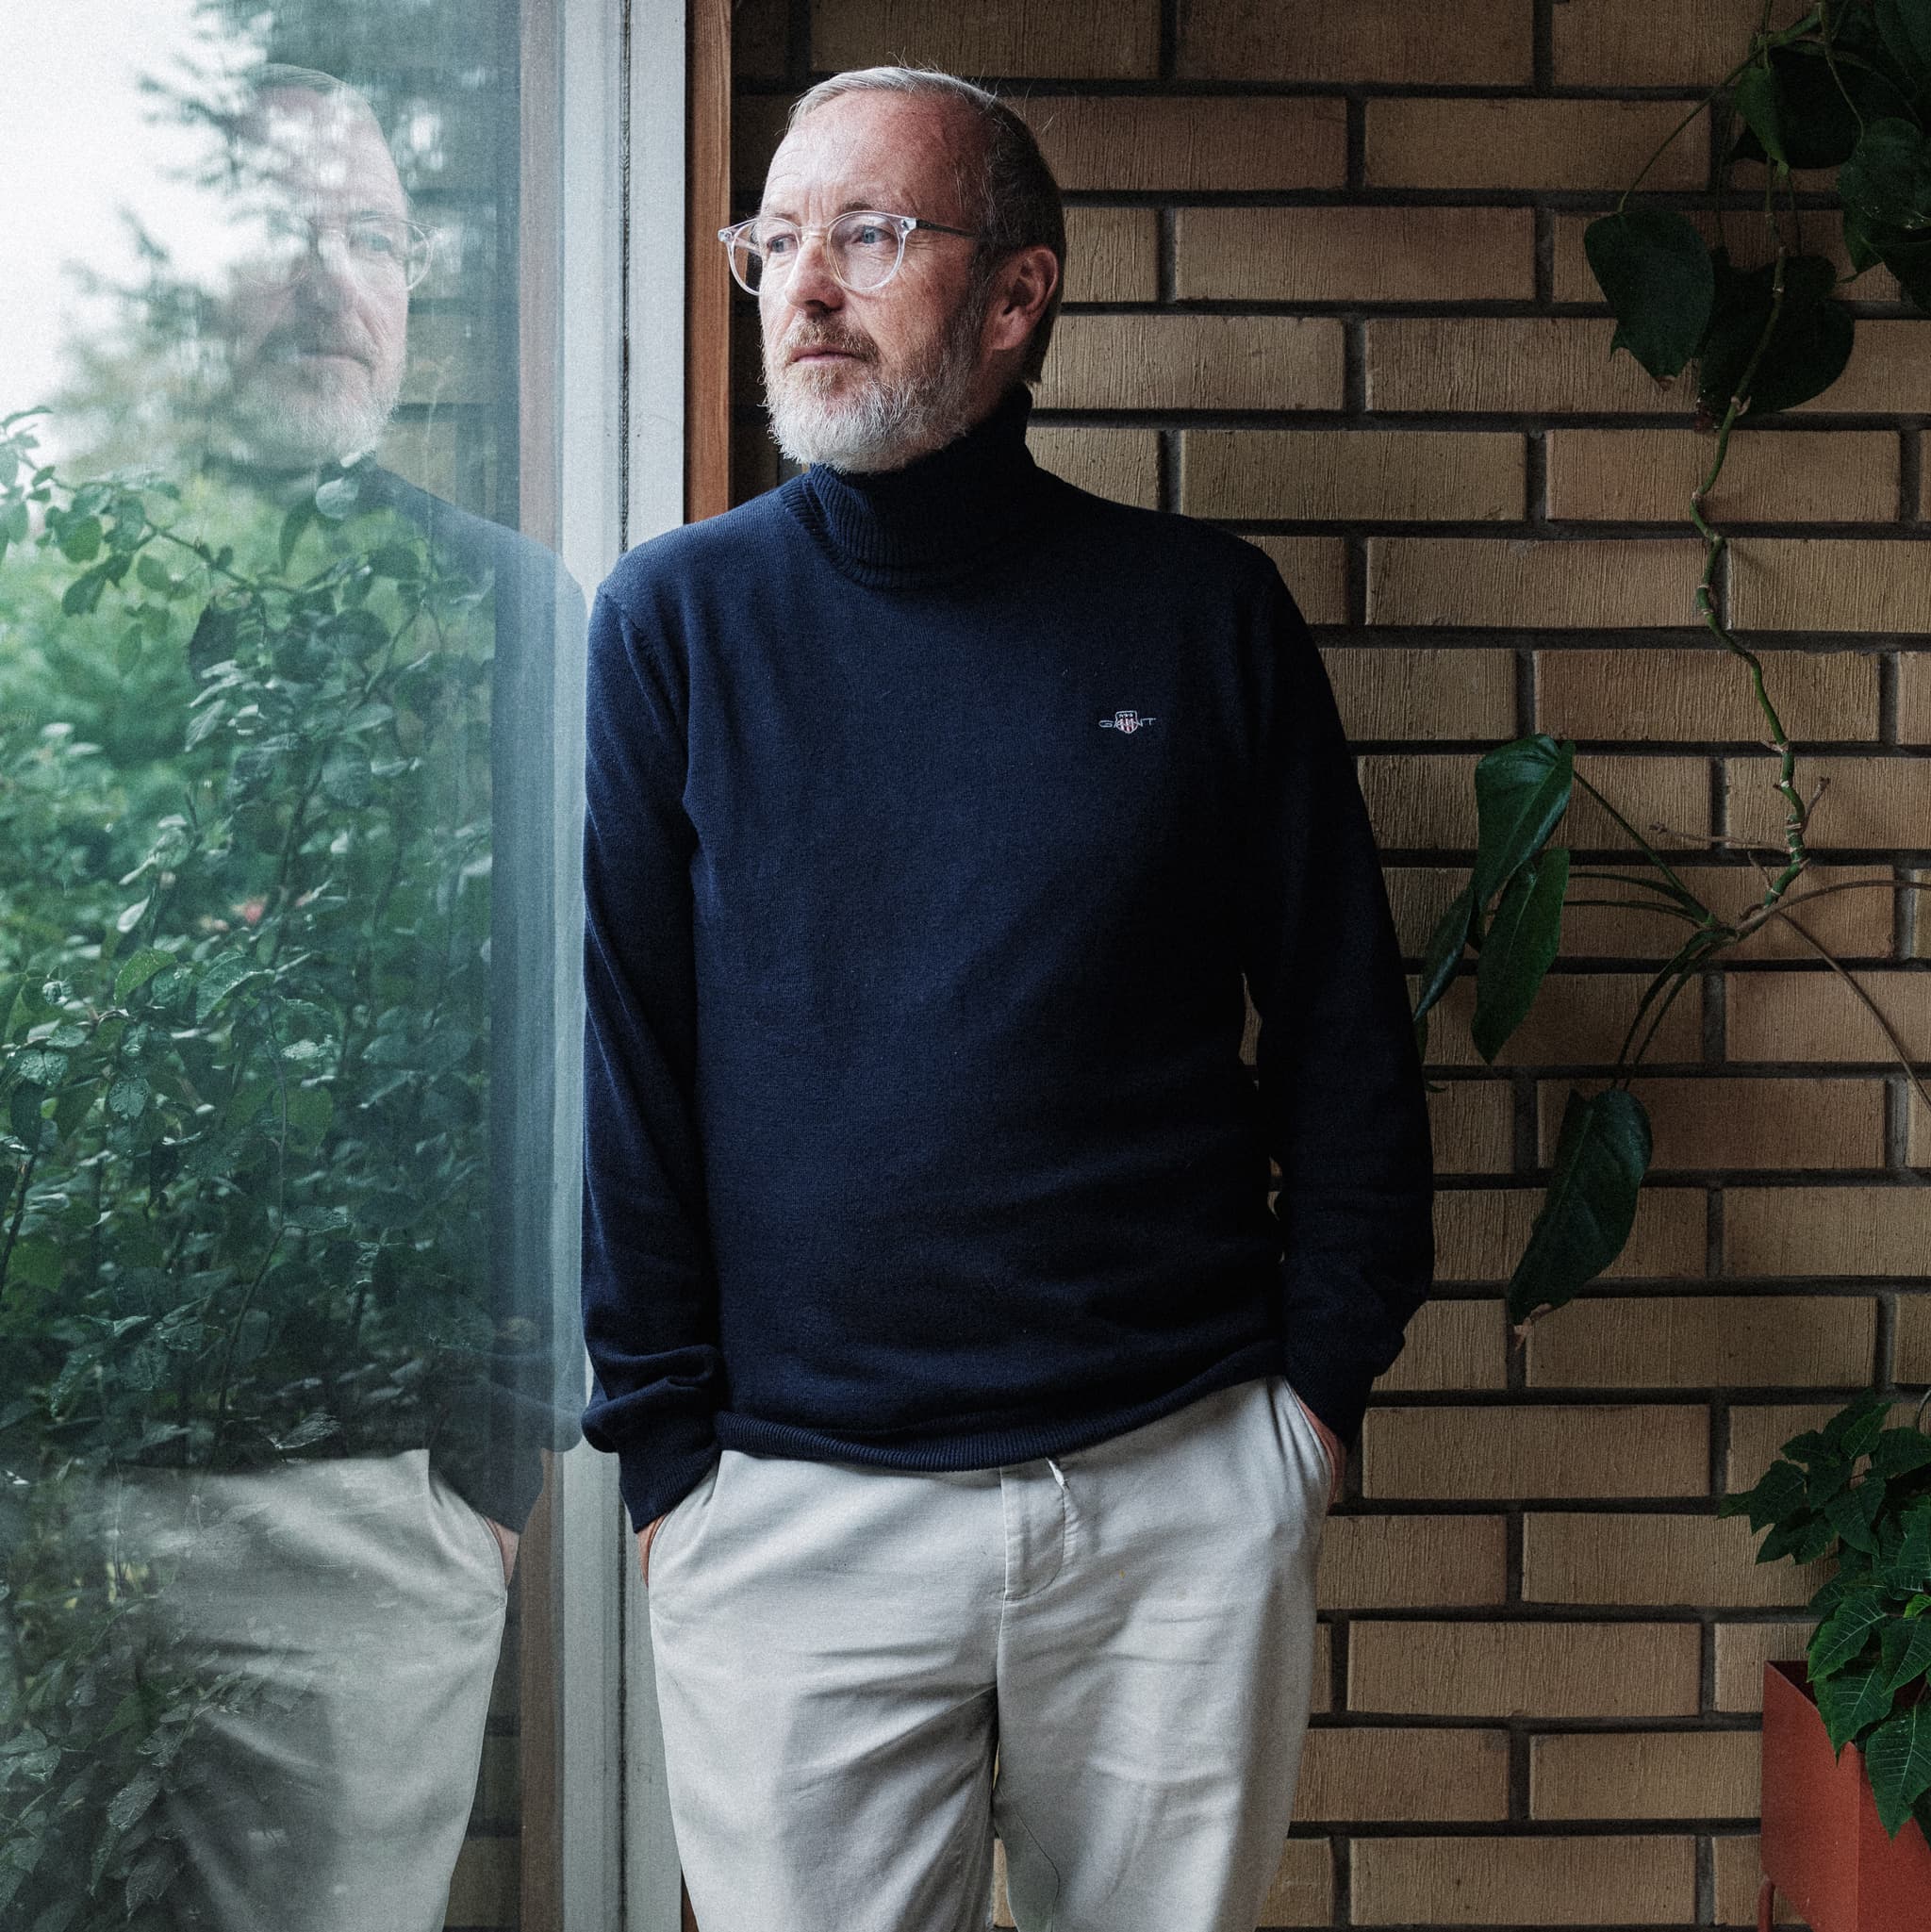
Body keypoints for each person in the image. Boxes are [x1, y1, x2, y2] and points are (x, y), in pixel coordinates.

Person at [579, 64, 1432, 1932]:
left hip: (1171, 1486)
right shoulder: (675, 624)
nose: (804, 287)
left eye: (867, 233)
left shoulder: (1204, 615)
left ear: (1018, 295)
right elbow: (628, 1067)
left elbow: (1345, 1029)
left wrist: (1306, 1409)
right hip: (791, 1509)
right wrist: (668, 1464)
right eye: (773, 241)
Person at [0, 65, 580, 1932]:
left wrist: (495, 1450)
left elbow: (544, 1045)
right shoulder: (34, 590)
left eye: (379, 241)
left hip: (364, 1498)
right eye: (283, 231)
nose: (338, 282)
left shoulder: (504, 614)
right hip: (37, 1483)